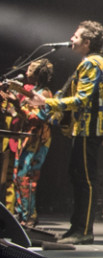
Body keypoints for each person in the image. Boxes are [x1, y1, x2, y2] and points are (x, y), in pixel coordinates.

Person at [33, 21, 103, 244]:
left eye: (75, 37)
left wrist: (47, 102)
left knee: (84, 180)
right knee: (79, 177)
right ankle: (77, 228)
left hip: (89, 128)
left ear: (87, 42)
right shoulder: (101, 60)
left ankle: (83, 230)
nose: (71, 39)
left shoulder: (92, 64)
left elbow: (82, 99)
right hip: (89, 128)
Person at [3, 58, 56, 226]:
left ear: (37, 75)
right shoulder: (32, 91)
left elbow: (42, 116)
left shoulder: (44, 93)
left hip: (38, 140)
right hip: (26, 138)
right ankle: (22, 214)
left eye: (30, 71)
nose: (26, 73)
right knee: (19, 177)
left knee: (27, 177)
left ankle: (29, 216)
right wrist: (14, 103)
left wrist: (20, 108)